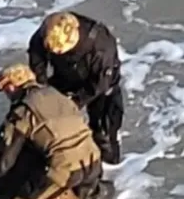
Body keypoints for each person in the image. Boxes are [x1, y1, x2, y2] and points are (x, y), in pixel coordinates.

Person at [0, 63, 116, 199]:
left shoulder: (22, 111)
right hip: (93, 160)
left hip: (65, 171)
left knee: (12, 197)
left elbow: (4, 162)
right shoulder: (58, 95)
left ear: (11, 87)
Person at [27, 11, 124, 165]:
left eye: (58, 49)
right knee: (43, 116)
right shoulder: (50, 29)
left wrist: (75, 102)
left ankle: (109, 168)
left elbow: (100, 83)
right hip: (65, 76)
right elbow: (36, 53)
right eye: (51, 49)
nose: (55, 52)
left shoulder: (101, 45)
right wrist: (42, 85)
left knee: (103, 134)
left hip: (101, 87)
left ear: (72, 38)